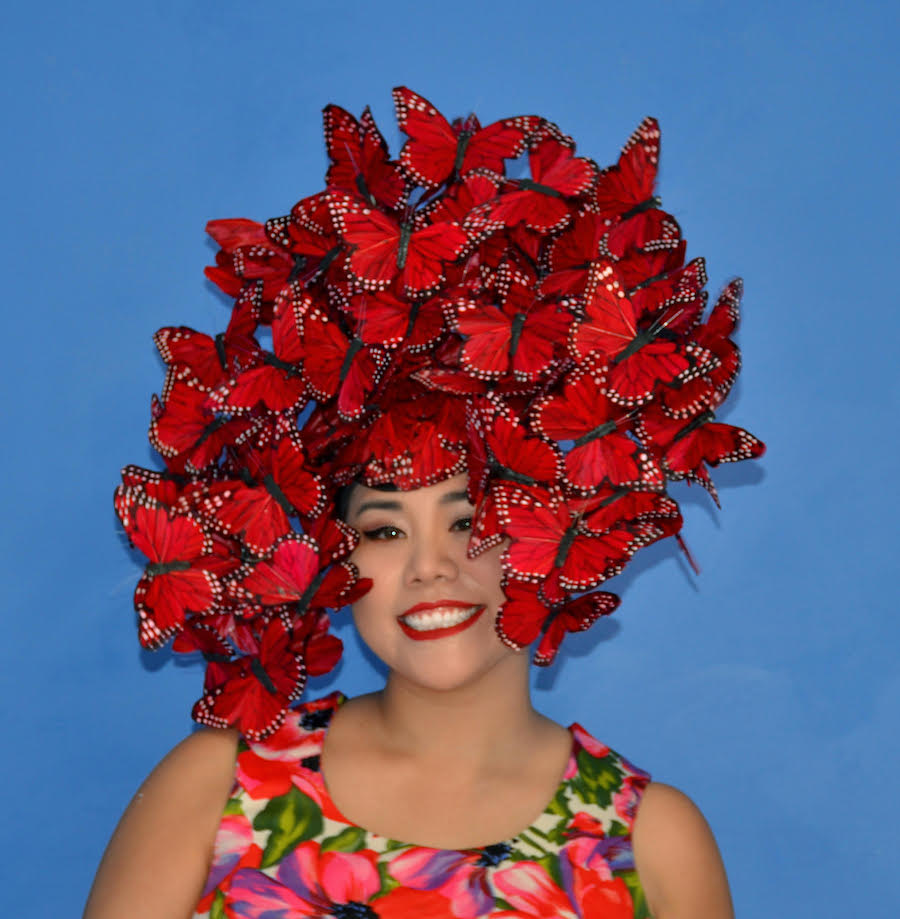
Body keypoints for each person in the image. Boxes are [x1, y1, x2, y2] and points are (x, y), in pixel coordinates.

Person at [86, 86, 763, 918]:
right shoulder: (215, 788)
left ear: (560, 517)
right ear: (329, 554)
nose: (430, 564)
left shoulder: (655, 843)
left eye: (469, 518)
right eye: (383, 528)